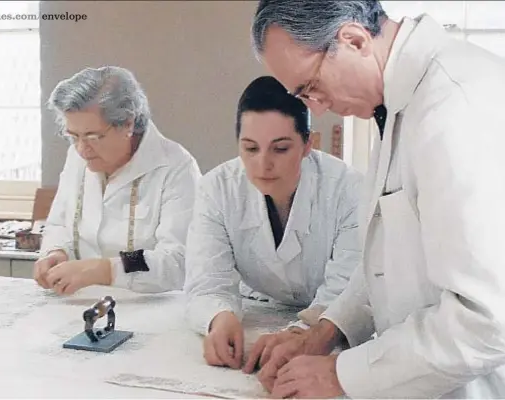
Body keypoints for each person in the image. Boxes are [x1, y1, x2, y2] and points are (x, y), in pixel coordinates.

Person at [250, 1, 505, 398]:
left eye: (311, 87)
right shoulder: (399, 105)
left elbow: (490, 321)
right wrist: (326, 332)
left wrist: (341, 375)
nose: (316, 108)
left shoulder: (456, 106)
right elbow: (388, 260)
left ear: (354, 40)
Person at [183, 76, 363, 372]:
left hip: (330, 326)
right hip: (257, 312)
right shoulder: (216, 188)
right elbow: (206, 279)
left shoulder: (349, 190)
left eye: (280, 149)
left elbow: (349, 289)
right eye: (250, 149)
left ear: (308, 144)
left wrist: (304, 333)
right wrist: (219, 317)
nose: (263, 164)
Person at [35, 66, 202, 295]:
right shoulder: (77, 155)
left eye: (94, 136)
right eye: (73, 136)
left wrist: (106, 269)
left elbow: (176, 260)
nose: (82, 149)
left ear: (128, 124)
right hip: (79, 303)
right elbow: (59, 224)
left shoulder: (175, 168)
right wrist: (55, 252)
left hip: (152, 310)